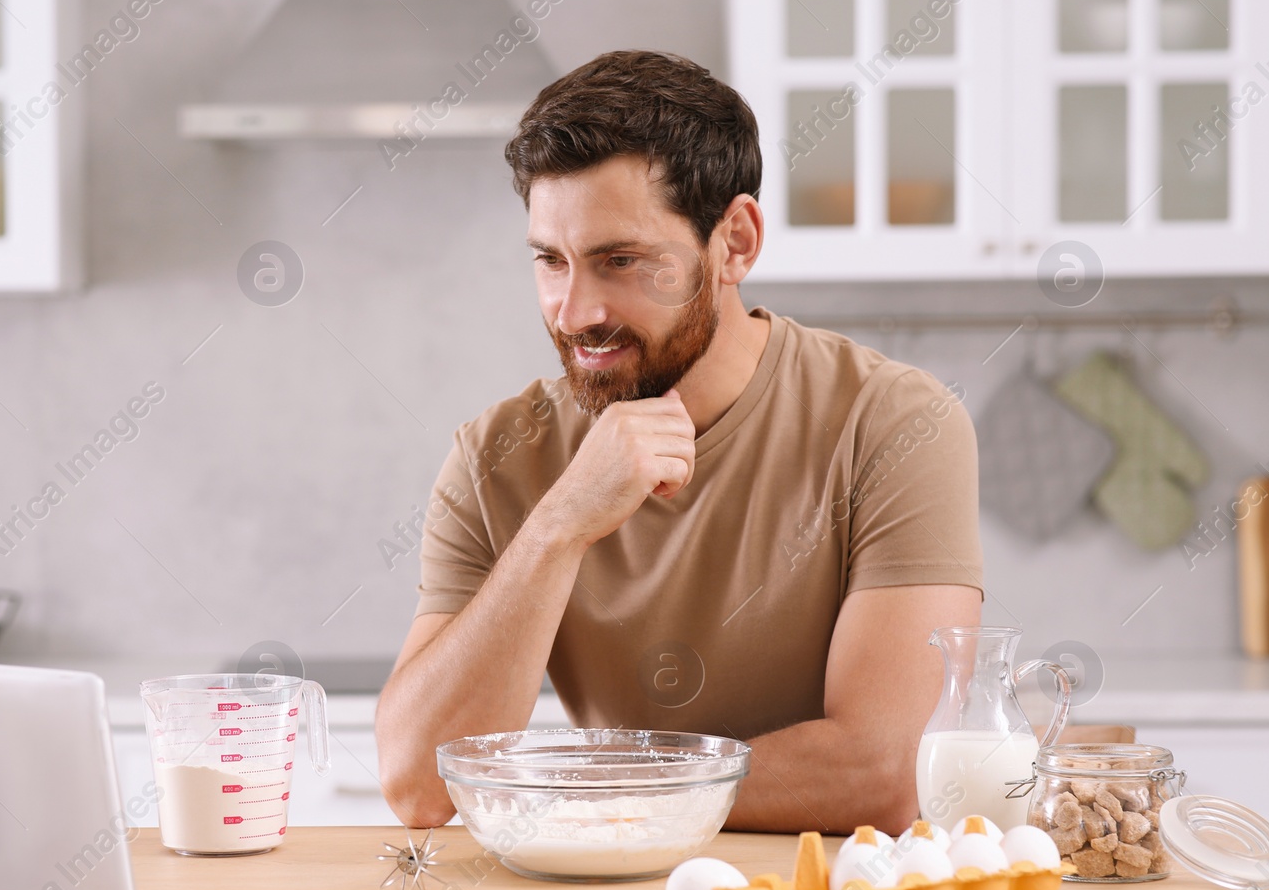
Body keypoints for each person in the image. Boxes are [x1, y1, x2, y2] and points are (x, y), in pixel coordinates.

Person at [375, 50, 983, 833]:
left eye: (620, 261)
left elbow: (884, 772)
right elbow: (418, 784)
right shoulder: (497, 455)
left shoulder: (895, 424)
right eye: (550, 261)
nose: (572, 311)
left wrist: (586, 789)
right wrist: (562, 524)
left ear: (734, 242)